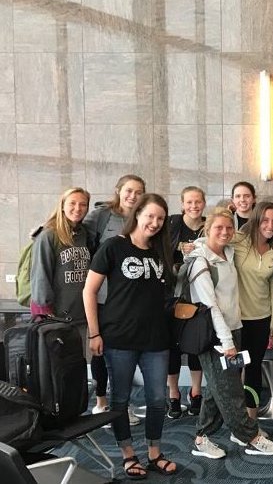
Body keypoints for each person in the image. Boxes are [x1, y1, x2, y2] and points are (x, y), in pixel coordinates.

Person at [83, 193, 176, 479]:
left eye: (160, 218)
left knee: (158, 398)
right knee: (121, 399)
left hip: (156, 339)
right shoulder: (113, 247)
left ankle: (154, 453)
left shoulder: (161, 251)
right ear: (137, 214)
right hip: (119, 338)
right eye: (150, 216)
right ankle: (128, 454)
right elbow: (89, 291)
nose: (155, 223)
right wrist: (94, 333)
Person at [186, 208, 273, 459]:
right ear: (207, 229)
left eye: (229, 227)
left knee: (216, 389)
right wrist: (227, 341)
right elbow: (211, 307)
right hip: (216, 337)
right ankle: (250, 437)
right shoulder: (201, 262)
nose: (225, 232)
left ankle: (201, 438)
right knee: (230, 391)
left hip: (234, 329)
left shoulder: (229, 253)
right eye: (218, 227)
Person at [83, 174, 145, 423]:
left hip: (130, 300)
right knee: (100, 351)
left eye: (138, 192)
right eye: (129, 190)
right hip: (102, 296)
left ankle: (123, 404)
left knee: (124, 354)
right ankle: (101, 403)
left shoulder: (142, 218)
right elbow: (78, 237)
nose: (133, 196)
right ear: (118, 190)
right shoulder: (102, 215)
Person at [231, 201, 273, 419]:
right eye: (265, 220)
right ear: (256, 220)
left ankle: (251, 423)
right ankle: (235, 421)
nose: (270, 225)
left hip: (261, 320)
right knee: (233, 371)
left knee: (253, 371)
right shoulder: (237, 240)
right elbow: (210, 241)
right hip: (235, 322)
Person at [166, 186, 206, 419]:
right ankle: (173, 394)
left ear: (204, 203)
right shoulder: (172, 224)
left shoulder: (207, 226)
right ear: (182, 204)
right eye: (189, 202)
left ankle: (196, 392)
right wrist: (179, 248)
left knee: (195, 345)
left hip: (198, 296)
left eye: (198, 202)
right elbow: (161, 252)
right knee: (172, 347)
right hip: (172, 296)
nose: (194, 206)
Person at [30, 187, 91, 324]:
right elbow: (40, 275)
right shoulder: (48, 235)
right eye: (72, 203)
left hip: (80, 314)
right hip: (55, 317)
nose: (78, 208)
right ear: (62, 206)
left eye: (83, 204)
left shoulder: (84, 234)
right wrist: (45, 312)